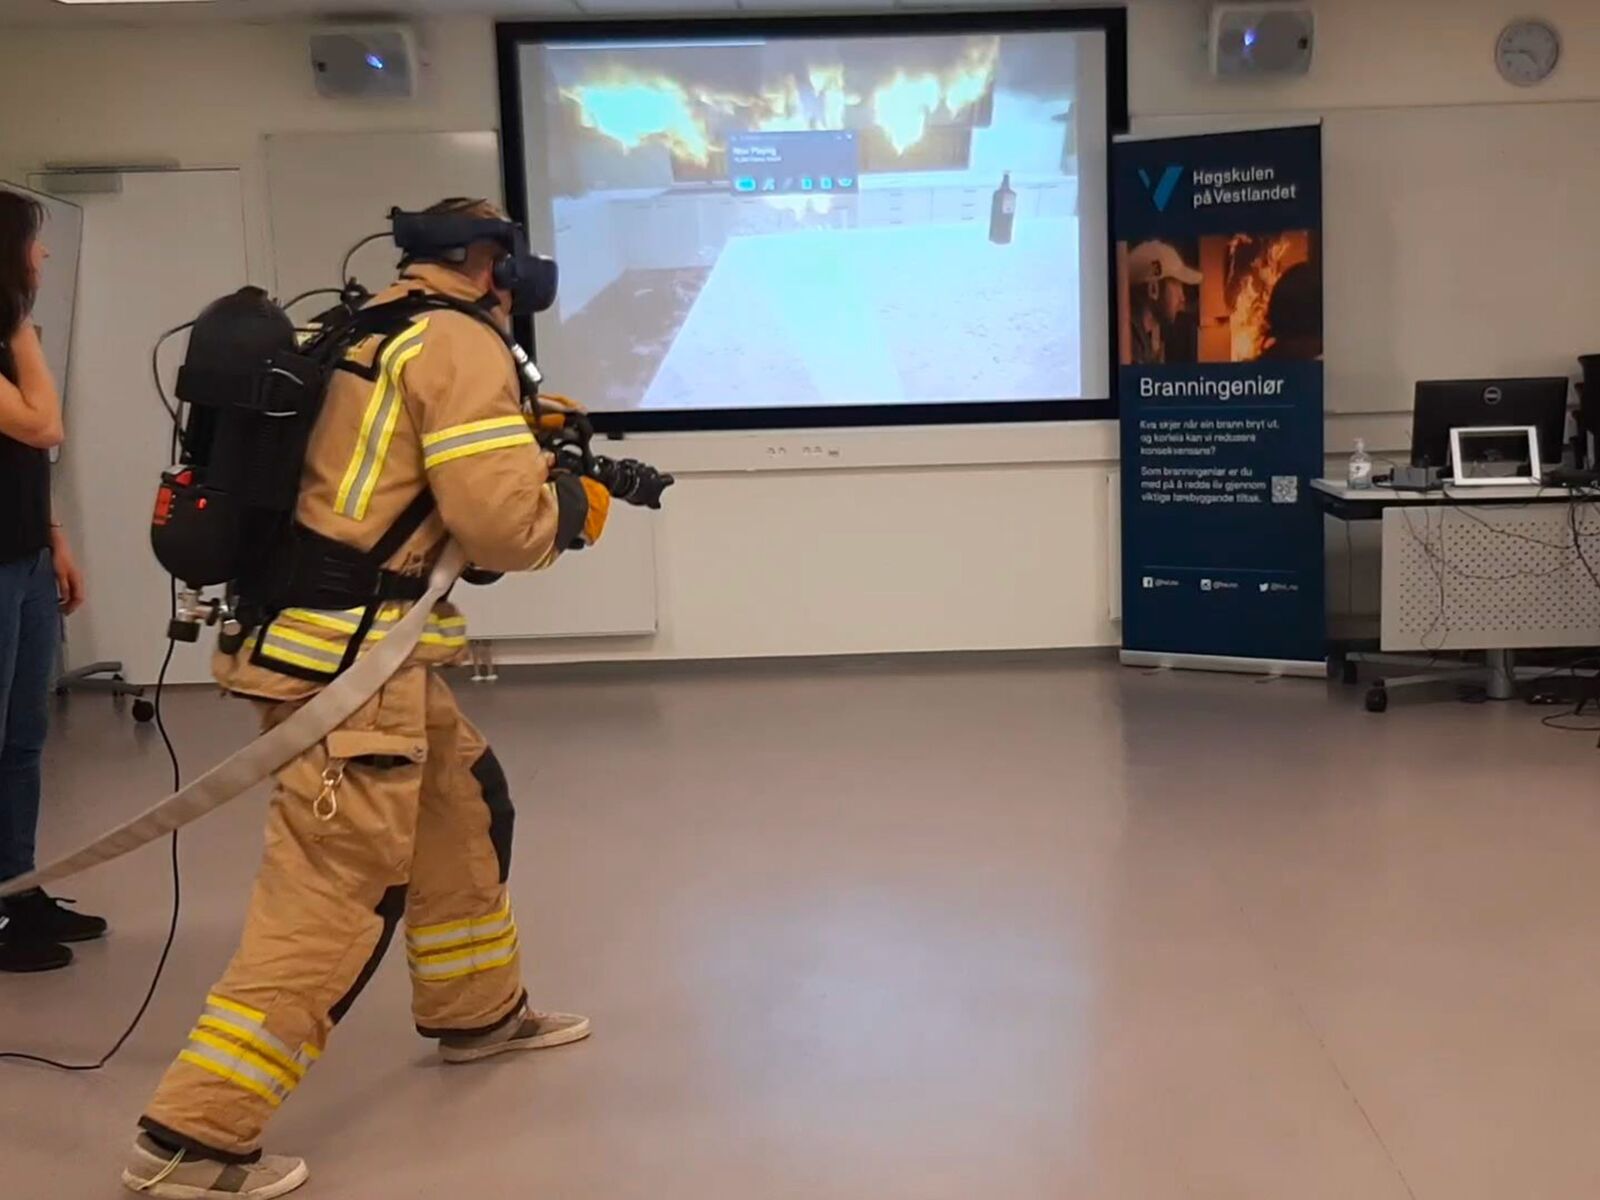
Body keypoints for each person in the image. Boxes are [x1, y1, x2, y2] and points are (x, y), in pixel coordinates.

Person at [121, 199, 611, 1200]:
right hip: (347, 669)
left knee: (461, 800)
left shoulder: (359, 326)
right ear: (484, 265)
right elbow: (503, 531)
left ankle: (476, 1012)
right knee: (331, 895)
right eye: (515, 268)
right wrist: (571, 501)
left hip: (353, 652)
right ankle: (193, 1140)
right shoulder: (463, 345)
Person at [0, 189, 104, 976]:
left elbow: (27, 458)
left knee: (24, 740)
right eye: (33, 245)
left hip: (24, 556)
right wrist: (16, 323)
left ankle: (18, 889)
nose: (42, 257)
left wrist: (54, 537)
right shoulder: (10, 337)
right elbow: (42, 424)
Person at [1126, 239, 1202, 365]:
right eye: (1177, 285)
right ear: (1153, 289)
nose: (1182, 297)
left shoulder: (1140, 341)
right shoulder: (1131, 347)